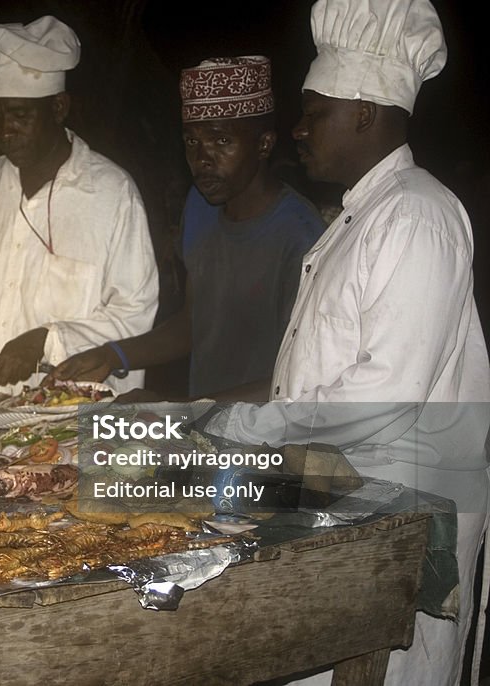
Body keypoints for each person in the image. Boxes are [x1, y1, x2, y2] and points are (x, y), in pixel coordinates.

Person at [201, 1, 490, 683]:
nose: (299, 130)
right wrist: (209, 410)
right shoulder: (363, 216)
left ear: (363, 113)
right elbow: (306, 383)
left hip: (407, 520)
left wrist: (250, 429)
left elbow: (382, 399)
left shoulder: (416, 215)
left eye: (314, 111)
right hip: (345, 504)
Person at [48, 56, 325, 400]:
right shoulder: (201, 206)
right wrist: (112, 355)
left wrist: (180, 414)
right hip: (203, 433)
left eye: (222, 141)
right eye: (192, 142)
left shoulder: (301, 237)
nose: (203, 158)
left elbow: (299, 381)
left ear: (264, 145)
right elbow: (196, 323)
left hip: (265, 442)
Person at [0, 15, 158, 395]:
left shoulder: (111, 192)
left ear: (58, 107)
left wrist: (47, 339)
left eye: (20, 115)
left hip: (67, 413)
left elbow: (134, 315)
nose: (5, 130)